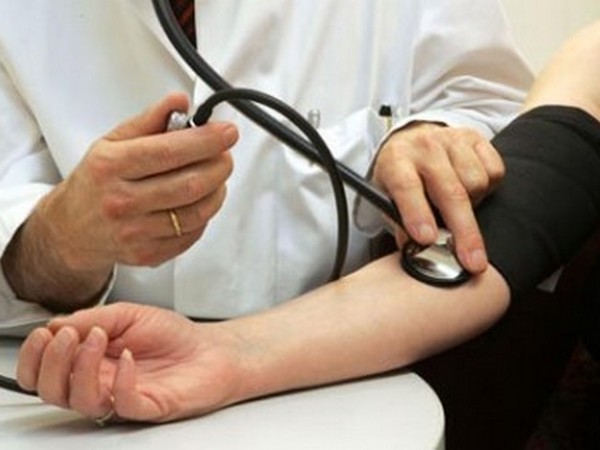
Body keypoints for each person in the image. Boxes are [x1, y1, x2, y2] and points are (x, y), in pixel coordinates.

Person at [0, 0, 537, 422]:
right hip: (84, 406)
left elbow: (502, 122)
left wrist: (433, 139)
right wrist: (56, 241)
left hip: (357, 397)